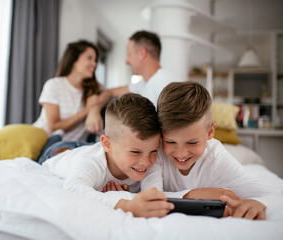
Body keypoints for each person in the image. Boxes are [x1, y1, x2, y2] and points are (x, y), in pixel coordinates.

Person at [155, 81, 276, 220]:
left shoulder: (216, 158)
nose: (181, 153)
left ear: (210, 132)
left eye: (192, 142)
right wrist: (194, 194)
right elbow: (150, 196)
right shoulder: (155, 151)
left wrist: (258, 203)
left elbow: (271, 196)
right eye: (170, 142)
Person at [43, 93, 174, 218]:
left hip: (95, 148)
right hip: (59, 153)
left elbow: (155, 195)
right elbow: (73, 188)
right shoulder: (91, 162)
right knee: (53, 144)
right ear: (107, 144)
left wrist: (190, 194)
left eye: (154, 151)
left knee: (89, 148)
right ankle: (55, 136)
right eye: (135, 152)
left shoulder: (150, 163)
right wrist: (126, 205)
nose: (146, 162)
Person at [85, 30, 182, 135]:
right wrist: (94, 110)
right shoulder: (144, 83)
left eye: (129, 54)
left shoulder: (165, 83)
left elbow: (174, 130)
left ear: (142, 53)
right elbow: (110, 92)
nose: (127, 61)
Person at [33, 40, 104, 142]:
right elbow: (53, 126)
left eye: (95, 60)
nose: (94, 64)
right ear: (74, 60)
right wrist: (87, 110)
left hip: (72, 149)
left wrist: (95, 110)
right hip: (45, 142)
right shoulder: (54, 85)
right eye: (89, 58)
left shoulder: (93, 89)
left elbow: (111, 92)